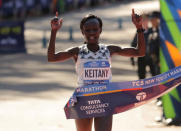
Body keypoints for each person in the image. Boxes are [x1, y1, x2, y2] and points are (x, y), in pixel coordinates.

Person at [48, 9, 145, 131]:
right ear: (82, 32)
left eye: (95, 29)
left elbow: (140, 52)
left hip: (105, 99)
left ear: (100, 30)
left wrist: (139, 27)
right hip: (83, 99)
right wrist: (54, 31)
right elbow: (52, 58)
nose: (92, 33)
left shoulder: (109, 50)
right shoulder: (77, 51)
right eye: (88, 30)